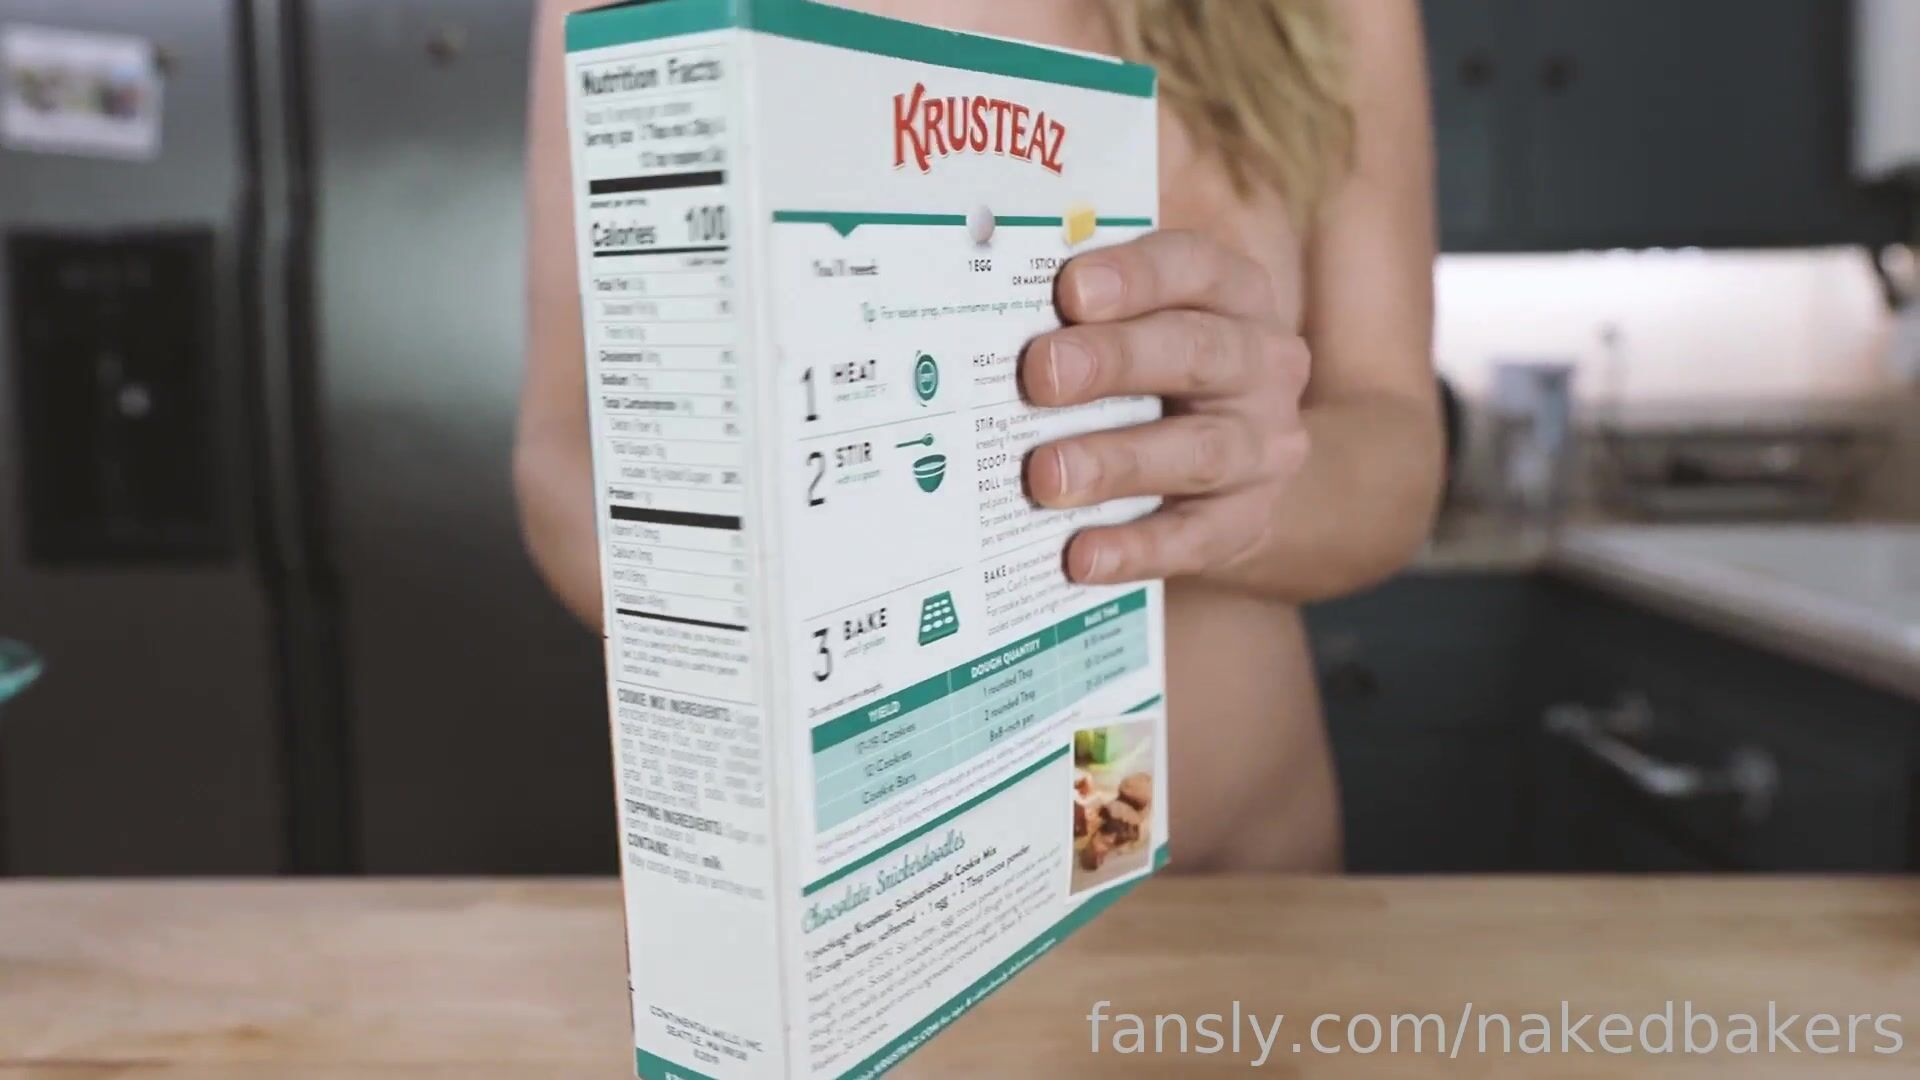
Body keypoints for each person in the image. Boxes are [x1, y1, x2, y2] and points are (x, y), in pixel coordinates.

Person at [517, 0, 1441, 871]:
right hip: (865, 884)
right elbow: (568, 453)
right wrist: (794, 606)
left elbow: (1400, 449)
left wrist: (1229, 487)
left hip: (1239, 881)